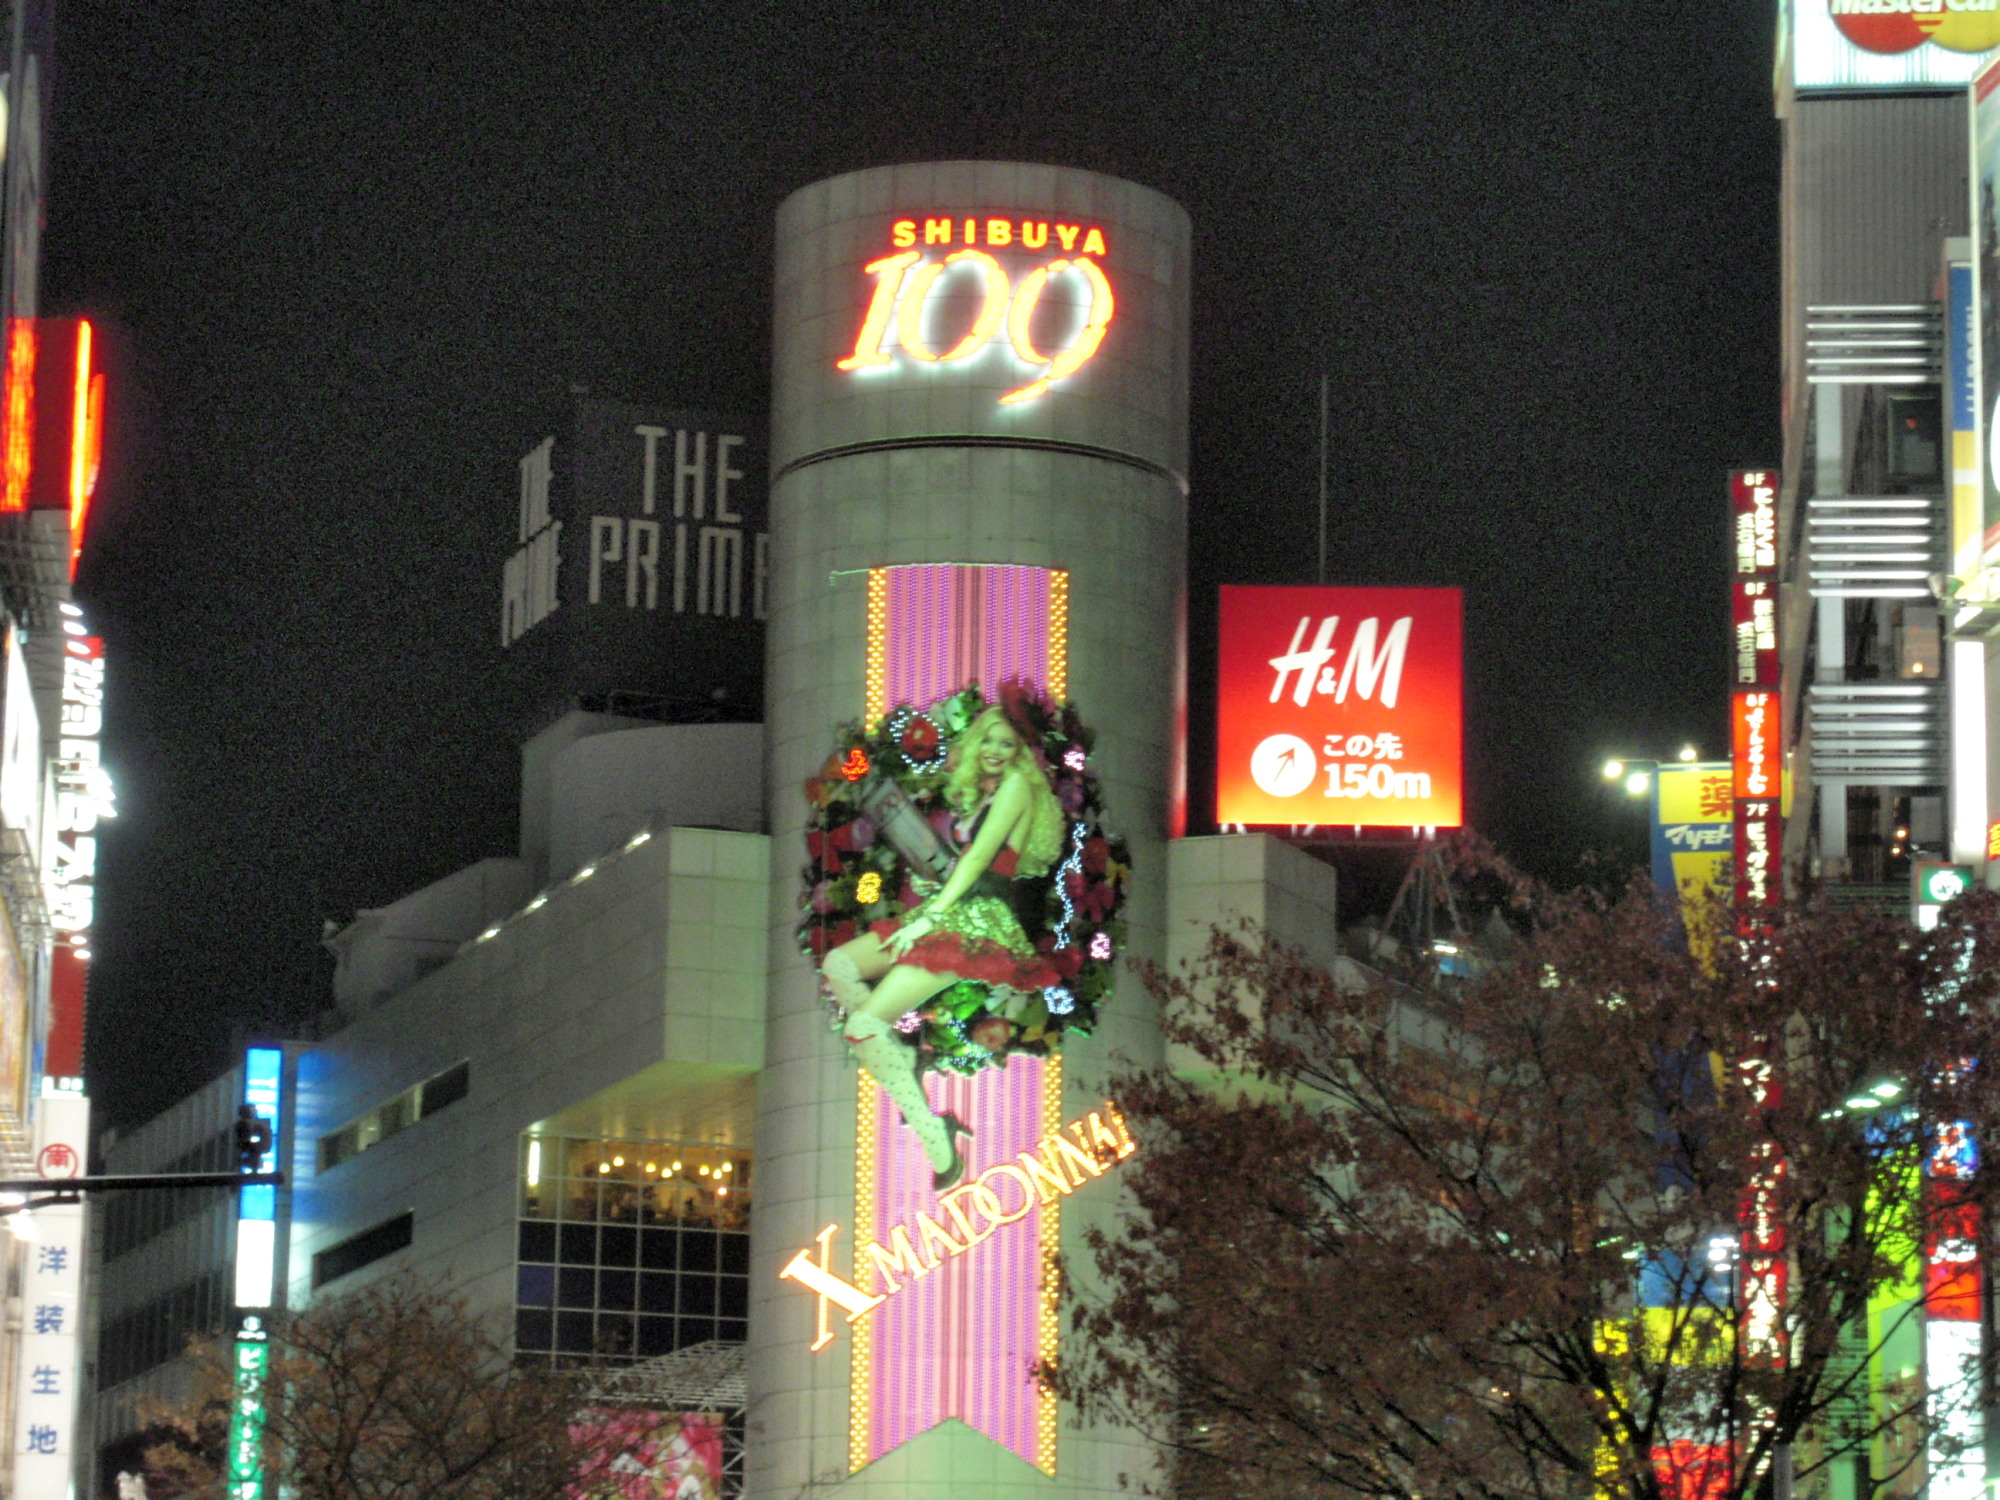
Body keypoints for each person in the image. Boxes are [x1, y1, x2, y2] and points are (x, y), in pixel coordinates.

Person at [821, 704, 1066, 1189]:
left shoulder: (1017, 786)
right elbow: (963, 863)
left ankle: (938, 1142)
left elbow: (978, 859)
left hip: (976, 925)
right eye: (991, 741)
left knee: (865, 1022)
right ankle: (895, 1057)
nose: (997, 752)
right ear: (977, 742)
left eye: (1008, 744)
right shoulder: (983, 793)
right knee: (838, 965)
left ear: (1020, 753)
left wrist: (932, 914)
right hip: (949, 911)